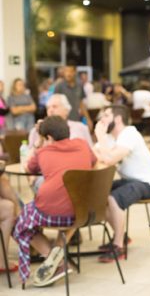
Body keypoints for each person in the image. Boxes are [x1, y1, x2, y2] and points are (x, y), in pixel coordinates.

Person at [13, 116, 97, 286]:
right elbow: (93, 161)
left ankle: (55, 260)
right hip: (83, 209)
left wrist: (38, 145)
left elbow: (29, 168)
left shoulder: (43, 152)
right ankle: (57, 258)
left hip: (53, 210)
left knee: (20, 225)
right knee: (50, 206)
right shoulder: (82, 144)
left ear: (49, 138)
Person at [93, 105, 150, 263]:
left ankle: (118, 246)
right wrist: (103, 146)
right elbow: (95, 153)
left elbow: (108, 159)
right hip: (131, 180)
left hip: (147, 182)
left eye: (106, 115)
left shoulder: (129, 133)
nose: (102, 120)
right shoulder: (111, 137)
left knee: (113, 198)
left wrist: (100, 137)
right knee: (99, 194)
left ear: (117, 119)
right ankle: (122, 235)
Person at [28, 94, 93, 149]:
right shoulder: (36, 131)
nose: (50, 110)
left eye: (54, 107)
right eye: (48, 108)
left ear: (66, 110)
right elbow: (27, 159)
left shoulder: (80, 127)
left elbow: (91, 151)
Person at [132, 80, 150, 145]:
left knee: (137, 130)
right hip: (147, 115)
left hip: (137, 116)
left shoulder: (135, 93)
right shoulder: (149, 94)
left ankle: (135, 142)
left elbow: (131, 102)